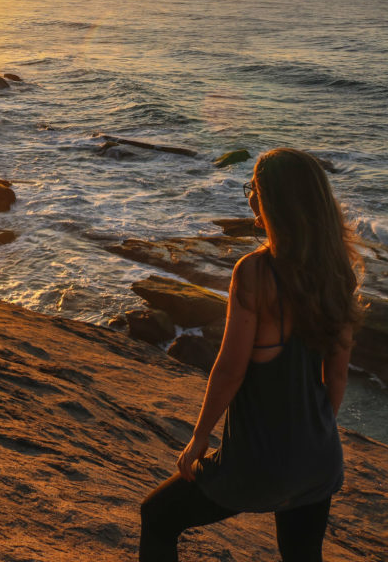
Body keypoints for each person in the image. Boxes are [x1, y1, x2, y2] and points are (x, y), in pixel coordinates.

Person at [139, 147, 361, 562]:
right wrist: (313, 435)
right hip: (319, 459)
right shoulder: (337, 272)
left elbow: (229, 371)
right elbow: (338, 378)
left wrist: (200, 438)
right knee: (302, 556)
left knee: (156, 516)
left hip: (257, 464)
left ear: (273, 201)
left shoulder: (255, 272)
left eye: (253, 189)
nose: (250, 198)